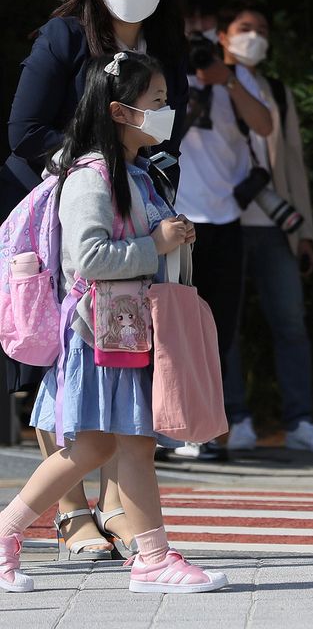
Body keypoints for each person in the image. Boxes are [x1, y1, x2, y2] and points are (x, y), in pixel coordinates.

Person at [0, 52, 226, 594]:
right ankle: (152, 558)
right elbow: (88, 259)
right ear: (122, 111)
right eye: (157, 102)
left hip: (118, 332)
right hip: (100, 333)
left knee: (100, 448)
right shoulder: (92, 175)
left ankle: (8, 535)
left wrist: (167, 237)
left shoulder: (132, 171)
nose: (166, 110)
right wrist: (157, 243)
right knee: (128, 444)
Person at [3, 0, 190, 559]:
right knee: (68, 358)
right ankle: (69, 513)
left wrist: (149, 182)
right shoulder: (63, 38)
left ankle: (121, 508)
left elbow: (169, 129)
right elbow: (25, 131)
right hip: (64, 212)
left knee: (124, 352)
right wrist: (96, 163)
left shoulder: (168, 45)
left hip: (134, 209)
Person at [213, 2, 313, 454]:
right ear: (222, 36)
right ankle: (235, 416)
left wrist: (304, 228)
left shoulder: (278, 91)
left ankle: (300, 420)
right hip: (219, 220)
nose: (255, 36)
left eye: (262, 29)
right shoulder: (202, 83)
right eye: (245, 27)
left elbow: (292, 162)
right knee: (223, 326)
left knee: (290, 321)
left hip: (274, 222)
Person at [173, 3, 273, 457]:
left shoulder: (237, 76)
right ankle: (170, 426)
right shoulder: (162, 70)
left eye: (205, 26)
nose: (198, 35)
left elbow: (265, 125)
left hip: (225, 219)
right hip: (175, 219)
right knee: (172, 326)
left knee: (219, 331)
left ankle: (209, 429)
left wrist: (226, 79)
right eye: (191, 26)